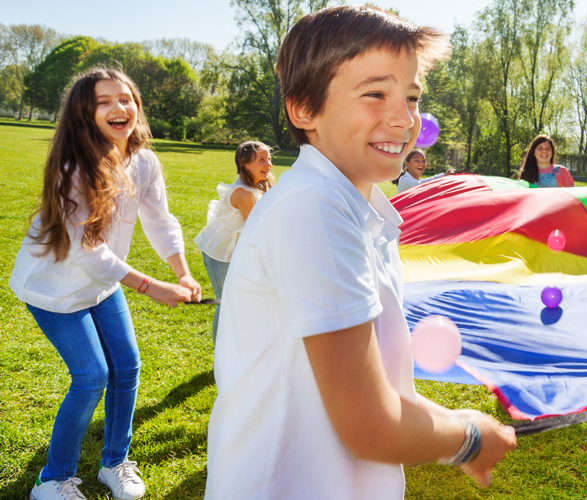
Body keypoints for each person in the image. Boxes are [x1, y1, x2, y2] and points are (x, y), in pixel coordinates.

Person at [204, 6, 517, 500]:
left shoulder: (354, 205)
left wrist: (455, 419)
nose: (404, 117)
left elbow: (378, 389)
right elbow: (370, 422)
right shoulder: (314, 209)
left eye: (412, 96)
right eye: (376, 93)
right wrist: (468, 437)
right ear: (304, 109)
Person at [9, 68, 201, 500]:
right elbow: (87, 250)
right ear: (84, 112)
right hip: (54, 291)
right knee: (91, 376)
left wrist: (182, 271)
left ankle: (115, 462)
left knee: (127, 367)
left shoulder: (145, 161)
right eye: (105, 101)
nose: (120, 108)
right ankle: (53, 479)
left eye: (127, 98)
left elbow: (160, 220)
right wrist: (152, 286)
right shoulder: (71, 167)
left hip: (101, 285)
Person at [193, 141, 276, 344]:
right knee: (225, 300)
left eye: (269, 159)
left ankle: (238, 348)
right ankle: (220, 354)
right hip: (220, 252)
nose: (269, 164)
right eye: (262, 160)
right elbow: (257, 228)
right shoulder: (243, 194)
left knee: (241, 299)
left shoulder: (260, 186)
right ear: (245, 165)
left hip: (237, 248)